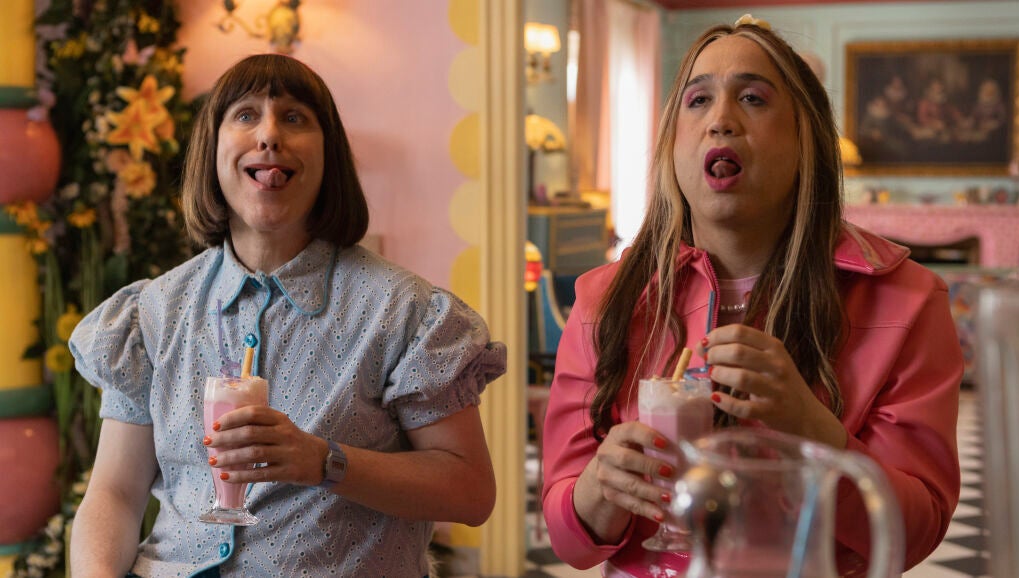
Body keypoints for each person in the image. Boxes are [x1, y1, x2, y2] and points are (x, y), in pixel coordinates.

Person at [542, 14, 961, 578]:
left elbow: (916, 532)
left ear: (806, 137)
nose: (720, 120)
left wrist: (809, 425)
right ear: (671, 145)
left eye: (753, 98)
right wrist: (600, 489)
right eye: (698, 101)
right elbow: (570, 544)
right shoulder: (605, 301)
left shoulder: (908, 300)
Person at [68, 54, 506, 577]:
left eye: (295, 117)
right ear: (212, 150)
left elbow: (469, 492)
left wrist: (324, 461)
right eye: (246, 115)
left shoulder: (405, 313)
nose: (270, 135)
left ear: (328, 156)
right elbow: (115, 493)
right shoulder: (153, 313)